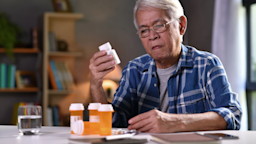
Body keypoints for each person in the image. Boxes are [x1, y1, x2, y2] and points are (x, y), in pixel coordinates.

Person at [89, 0, 242, 133]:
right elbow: (114, 123)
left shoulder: (207, 65)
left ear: (181, 26)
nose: (152, 36)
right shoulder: (133, 70)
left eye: (159, 25)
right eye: (144, 30)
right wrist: (96, 86)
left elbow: (231, 115)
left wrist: (177, 122)